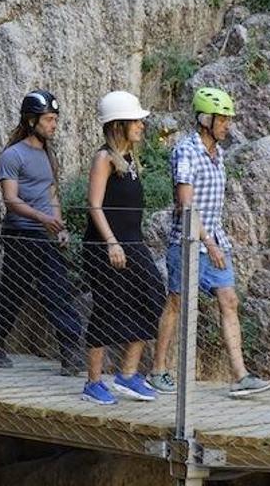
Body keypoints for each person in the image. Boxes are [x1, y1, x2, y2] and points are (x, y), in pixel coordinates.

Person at [147, 87, 270, 397]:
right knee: (177, 303)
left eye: (228, 119)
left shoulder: (219, 155)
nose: (227, 125)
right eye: (223, 119)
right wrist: (209, 242)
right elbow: (185, 203)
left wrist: (216, 241)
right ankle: (157, 369)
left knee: (229, 300)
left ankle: (241, 376)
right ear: (206, 119)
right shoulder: (185, 151)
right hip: (188, 243)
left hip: (215, 241)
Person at [0, 89, 83, 376]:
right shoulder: (12, 155)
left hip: (45, 234)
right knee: (13, 291)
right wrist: (41, 219)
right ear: (31, 121)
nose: (53, 125)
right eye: (49, 119)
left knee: (58, 291)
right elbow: (11, 200)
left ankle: (71, 352)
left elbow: (52, 195)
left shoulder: (48, 155)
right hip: (20, 234)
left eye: (55, 119)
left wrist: (58, 226)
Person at [80, 91, 165, 405]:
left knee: (153, 293)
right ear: (118, 125)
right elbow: (94, 205)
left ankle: (128, 374)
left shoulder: (130, 160)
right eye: (136, 121)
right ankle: (93, 382)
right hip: (105, 246)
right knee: (107, 305)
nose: (142, 125)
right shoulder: (105, 159)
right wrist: (111, 243)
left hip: (132, 243)